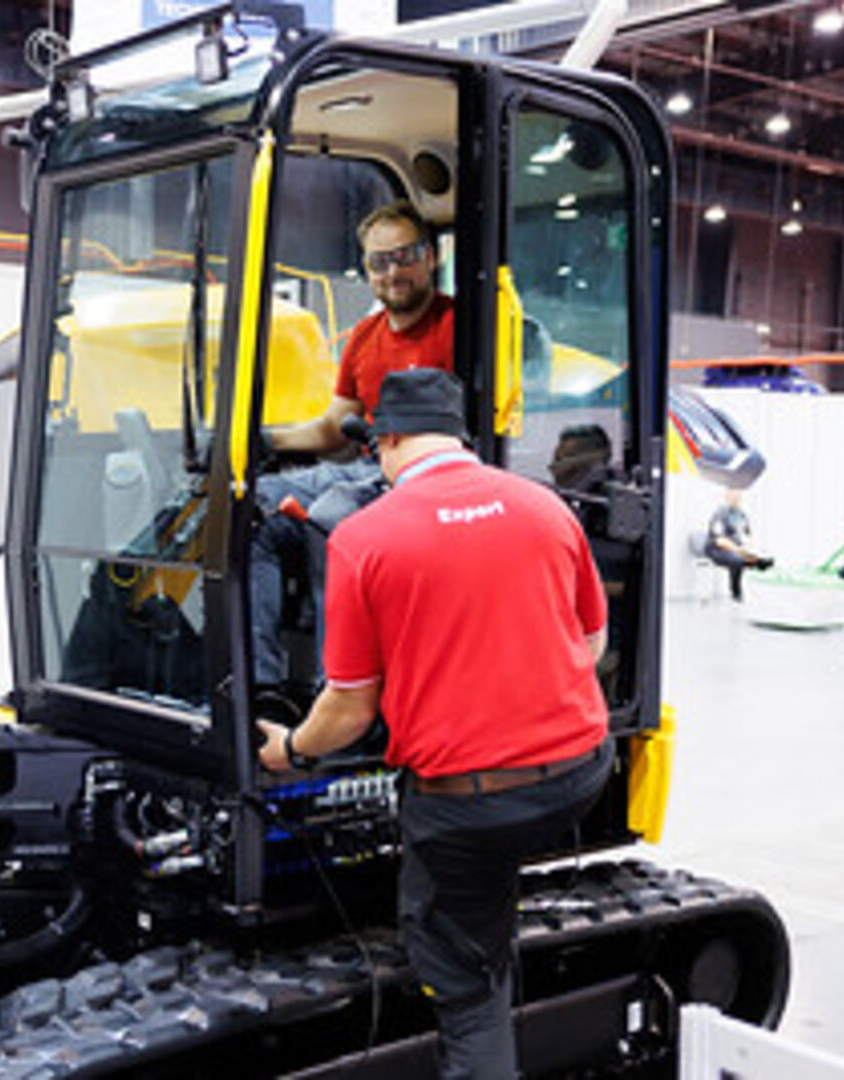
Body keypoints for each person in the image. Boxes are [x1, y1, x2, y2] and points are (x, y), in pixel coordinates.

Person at [257, 369, 613, 1079]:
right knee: (487, 890)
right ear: (460, 437)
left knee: (465, 988)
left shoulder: (364, 538)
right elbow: (592, 644)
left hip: (469, 809)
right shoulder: (546, 507)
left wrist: (288, 751)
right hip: (581, 774)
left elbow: (349, 711)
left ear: (385, 440)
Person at [251, 200, 455, 688]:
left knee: (331, 516)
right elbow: (333, 428)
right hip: (364, 470)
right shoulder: (365, 337)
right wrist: (259, 438)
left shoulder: (458, 328)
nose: (393, 272)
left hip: (422, 478)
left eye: (405, 256)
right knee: (252, 509)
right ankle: (263, 690)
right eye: (378, 262)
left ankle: (338, 694)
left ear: (431, 257)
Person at [704, 488, 774, 602]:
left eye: (738, 496)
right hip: (717, 549)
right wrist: (739, 551)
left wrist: (749, 549)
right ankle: (736, 592)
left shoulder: (741, 514)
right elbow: (719, 540)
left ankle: (756, 562)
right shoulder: (720, 513)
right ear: (727, 496)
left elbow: (747, 534)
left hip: (737, 549)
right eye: (733, 496)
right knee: (737, 560)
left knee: (755, 558)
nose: (736, 499)